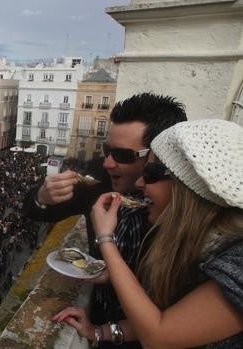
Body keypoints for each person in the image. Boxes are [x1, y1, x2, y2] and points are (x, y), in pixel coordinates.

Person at [54, 119, 243, 347]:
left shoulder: (237, 259)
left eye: (152, 174)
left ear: (188, 188)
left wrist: (106, 239)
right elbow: (170, 317)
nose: (141, 182)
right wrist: (99, 332)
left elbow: (159, 335)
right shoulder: (190, 239)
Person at [24, 92, 187, 346]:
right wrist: (43, 195)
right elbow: (35, 211)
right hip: (102, 318)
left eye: (123, 155)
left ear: (160, 155)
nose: (109, 163)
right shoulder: (99, 176)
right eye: (107, 149)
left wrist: (106, 239)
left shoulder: (186, 212)